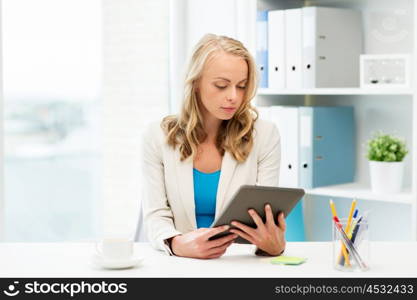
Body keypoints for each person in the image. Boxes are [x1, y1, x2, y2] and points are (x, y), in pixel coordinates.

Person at [142, 33, 285, 259]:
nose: (234, 97)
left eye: (241, 86)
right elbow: (156, 215)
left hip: (239, 264)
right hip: (181, 264)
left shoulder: (265, 135)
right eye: (221, 85)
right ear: (196, 83)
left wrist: (273, 246)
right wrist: (177, 244)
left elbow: (267, 219)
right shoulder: (157, 136)